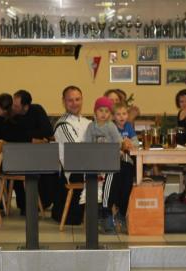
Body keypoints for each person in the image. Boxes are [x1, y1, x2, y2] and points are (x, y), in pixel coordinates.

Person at [82, 96, 124, 233]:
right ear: (95, 112)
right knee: (91, 180)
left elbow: (118, 142)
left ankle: (105, 215)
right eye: (101, 110)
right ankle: (95, 216)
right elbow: (86, 144)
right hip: (94, 161)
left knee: (110, 179)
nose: (104, 114)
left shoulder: (111, 126)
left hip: (109, 160)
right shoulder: (90, 126)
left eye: (107, 111)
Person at [51, 86, 92, 225]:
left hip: (90, 164)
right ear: (64, 102)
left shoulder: (88, 122)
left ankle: (108, 214)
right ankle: (101, 215)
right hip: (73, 169)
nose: (75, 103)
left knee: (120, 169)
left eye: (77, 99)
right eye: (70, 100)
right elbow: (77, 150)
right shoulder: (62, 124)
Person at [111, 102, 139, 231]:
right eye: (118, 114)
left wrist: (129, 144)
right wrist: (123, 143)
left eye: (124, 114)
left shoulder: (129, 126)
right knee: (119, 178)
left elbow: (135, 142)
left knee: (128, 180)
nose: (122, 117)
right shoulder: (111, 127)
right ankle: (117, 208)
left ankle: (122, 212)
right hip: (115, 160)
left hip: (128, 161)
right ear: (113, 116)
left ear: (127, 115)